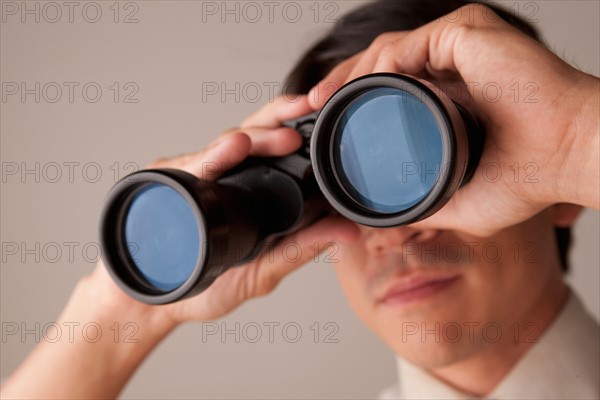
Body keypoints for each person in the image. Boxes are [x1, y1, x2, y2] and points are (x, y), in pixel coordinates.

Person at [1, 1, 598, 398]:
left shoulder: (572, 151)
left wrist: (576, 141)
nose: (391, 233)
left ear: (558, 198)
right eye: (346, 192)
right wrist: (126, 312)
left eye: (412, 178)